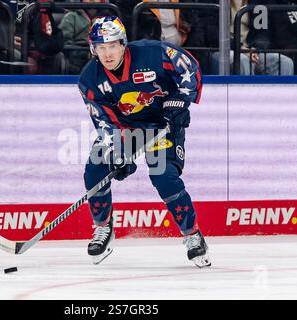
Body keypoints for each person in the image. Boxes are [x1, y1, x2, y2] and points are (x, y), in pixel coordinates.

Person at [78, 16, 211, 268]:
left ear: (123, 44)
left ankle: (193, 236)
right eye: (101, 47)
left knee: (163, 175)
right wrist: (117, 152)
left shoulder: (152, 53)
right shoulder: (90, 79)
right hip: (127, 128)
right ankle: (103, 228)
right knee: (96, 167)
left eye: (112, 46)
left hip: (164, 123)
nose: (107, 54)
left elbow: (189, 67)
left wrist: (181, 100)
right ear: (93, 49)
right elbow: (105, 122)